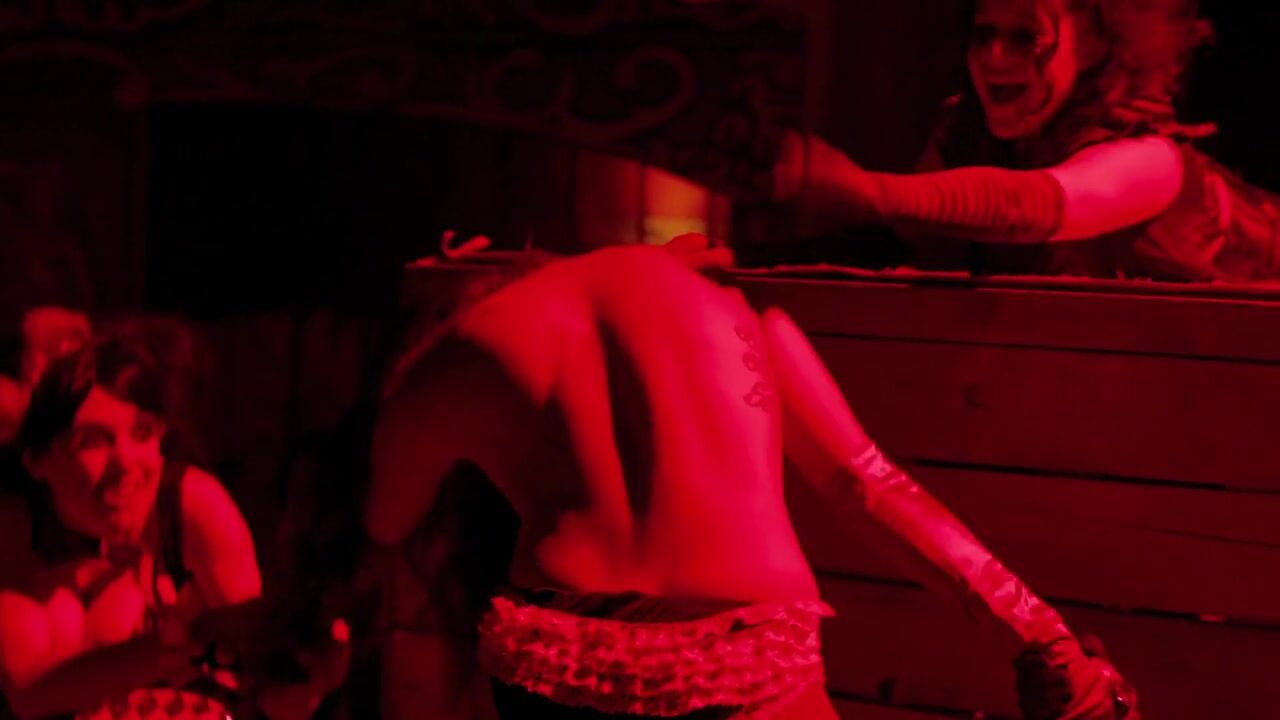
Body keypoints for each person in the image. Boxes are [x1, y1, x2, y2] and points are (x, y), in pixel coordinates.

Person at [366, 241, 1136, 718]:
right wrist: (1039, 631)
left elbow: (381, 519)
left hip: (563, 658)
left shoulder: (473, 343)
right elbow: (871, 485)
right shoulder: (738, 313)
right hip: (744, 658)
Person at [775, 0, 1280, 282]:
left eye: (1025, 37)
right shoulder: (967, 129)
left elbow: (1026, 206)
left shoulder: (1149, 158)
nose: (995, 57)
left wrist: (864, 189)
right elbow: (912, 244)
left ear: (1094, 43)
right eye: (983, 34)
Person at [0, 323, 261, 719]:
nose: (125, 462)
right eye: (91, 439)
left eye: (142, 432)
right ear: (37, 461)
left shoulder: (190, 504)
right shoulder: (15, 521)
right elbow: (30, 690)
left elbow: (254, 663)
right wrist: (191, 640)